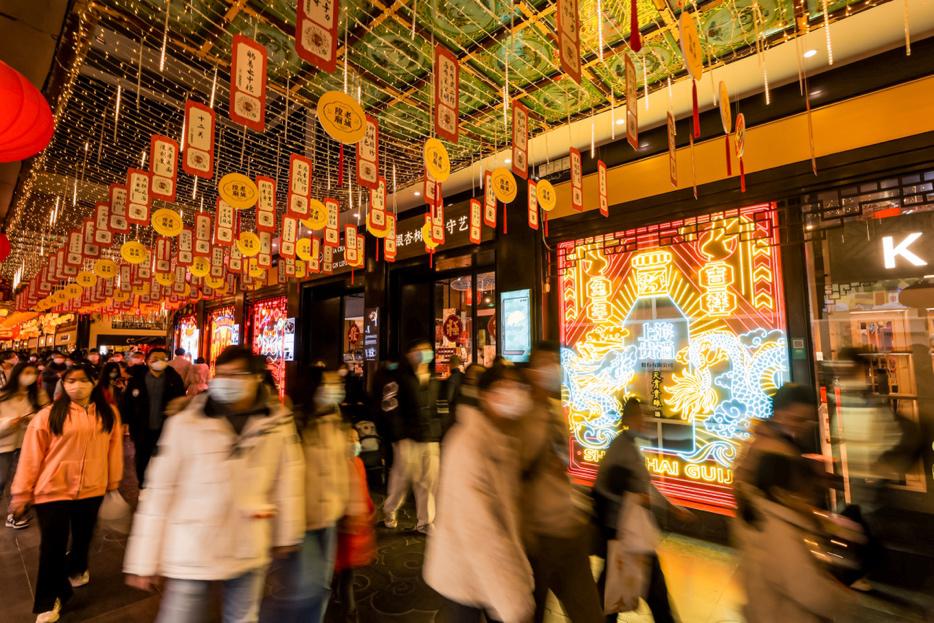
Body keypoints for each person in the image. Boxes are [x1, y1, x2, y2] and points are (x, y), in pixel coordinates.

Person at [123, 346, 305, 623]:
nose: (227, 381)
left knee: (242, 618)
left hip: (248, 542)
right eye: (222, 375)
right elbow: (160, 489)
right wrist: (143, 558)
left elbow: (288, 480)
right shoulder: (186, 421)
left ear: (257, 378)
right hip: (192, 545)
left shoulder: (276, 423)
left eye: (237, 375)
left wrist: (287, 534)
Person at [9, 363, 122, 623]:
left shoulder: (109, 413)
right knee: (52, 547)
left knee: (83, 539)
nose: (76, 386)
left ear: (94, 382)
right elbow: (30, 457)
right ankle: (49, 600)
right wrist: (21, 493)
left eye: (82, 380)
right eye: (70, 381)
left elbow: (114, 450)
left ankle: (77, 567)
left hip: (92, 488)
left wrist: (113, 482)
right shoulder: (48, 415)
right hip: (52, 490)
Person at [423, 363, 535, 623]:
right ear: (484, 395)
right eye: (503, 387)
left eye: (518, 387)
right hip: (463, 569)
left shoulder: (505, 438)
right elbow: (479, 528)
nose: (513, 394)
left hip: (488, 568)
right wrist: (512, 601)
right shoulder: (469, 445)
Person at [260, 367, 352, 623]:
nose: (335, 389)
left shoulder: (336, 420)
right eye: (329, 384)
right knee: (305, 590)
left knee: (320, 586)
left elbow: (343, 466)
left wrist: (350, 505)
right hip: (300, 522)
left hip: (330, 516)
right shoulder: (291, 423)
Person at [520, 342, 603, 623]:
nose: (552, 369)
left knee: (589, 614)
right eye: (544, 363)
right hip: (537, 538)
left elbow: (562, 466)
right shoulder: (521, 417)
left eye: (554, 362)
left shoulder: (558, 409)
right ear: (531, 371)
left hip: (570, 529)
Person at [593, 397, 690, 623]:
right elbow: (607, 486)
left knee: (614, 583)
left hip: (626, 530)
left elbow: (642, 485)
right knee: (650, 587)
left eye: (643, 415)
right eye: (638, 416)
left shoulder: (627, 445)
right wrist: (635, 498)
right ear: (628, 419)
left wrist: (671, 507)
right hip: (625, 530)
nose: (643, 420)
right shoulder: (622, 448)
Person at [382, 340, 442, 534]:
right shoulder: (398, 378)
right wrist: (399, 435)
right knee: (402, 479)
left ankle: (425, 521)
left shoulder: (434, 378)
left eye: (427, 349)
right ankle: (390, 509)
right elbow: (390, 408)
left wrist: (438, 429)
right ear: (409, 354)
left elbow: (438, 408)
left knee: (428, 481)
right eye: (419, 349)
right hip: (408, 438)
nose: (424, 353)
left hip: (430, 437)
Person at [120, 348, 185, 487]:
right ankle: (143, 485)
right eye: (155, 358)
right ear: (148, 361)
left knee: (164, 458)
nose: (159, 361)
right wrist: (126, 421)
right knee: (142, 457)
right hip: (141, 428)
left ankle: (160, 485)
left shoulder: (174, 379)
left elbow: (181, 401)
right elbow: (127, 402)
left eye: (163, 358)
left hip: (166, 428)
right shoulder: (138, 378)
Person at [332, 428, 376, 623]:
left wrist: (370, 510)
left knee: (345, 571)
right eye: (350, 439)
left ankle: (337, 594)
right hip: (343, 527)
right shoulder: (337, 467)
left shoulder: (358, 463)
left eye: (356, 439)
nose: (355, 443)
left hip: (356, 525)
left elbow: (364, 490)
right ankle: (350, 613)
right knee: (346, 573)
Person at [1, 362, 50, 529]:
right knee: (1, 480)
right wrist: (8, 423)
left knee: (22, 481)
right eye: (27, 372)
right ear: (17, 373)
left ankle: (16, 514)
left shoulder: (39, 395)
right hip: (5, 444)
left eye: (34, 373)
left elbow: (47, 415)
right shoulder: (3, 395)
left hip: (29, 445)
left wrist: (34, 419)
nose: (31, 377)